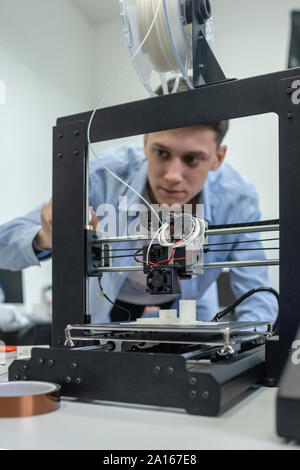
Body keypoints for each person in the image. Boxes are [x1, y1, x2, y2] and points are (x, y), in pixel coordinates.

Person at [0, 80, 278, 325]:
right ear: (145, 142)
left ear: (217, 158)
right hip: (111, 302)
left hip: (189, 306)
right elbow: (4, 244)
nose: (173, 176)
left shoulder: (237, 200)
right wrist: (45, 237)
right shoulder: (102, 176)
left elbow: (256, 294)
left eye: (192, 159)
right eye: (161, 152)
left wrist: (256, 351)